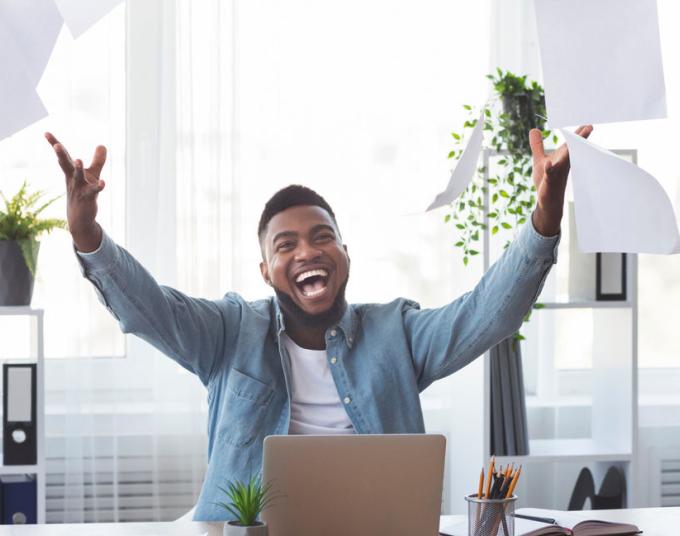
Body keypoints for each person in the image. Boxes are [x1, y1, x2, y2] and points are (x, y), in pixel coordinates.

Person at [45, 125, 592, 520]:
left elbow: (486, 316)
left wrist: (545, 215)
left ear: (345, 254)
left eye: (322, 237)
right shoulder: (228, 332)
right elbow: (150, 309)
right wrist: (87, 234)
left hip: (378, 530)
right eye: (287, 245)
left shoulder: (395, 333)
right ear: (266, 271)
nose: (308, 251)